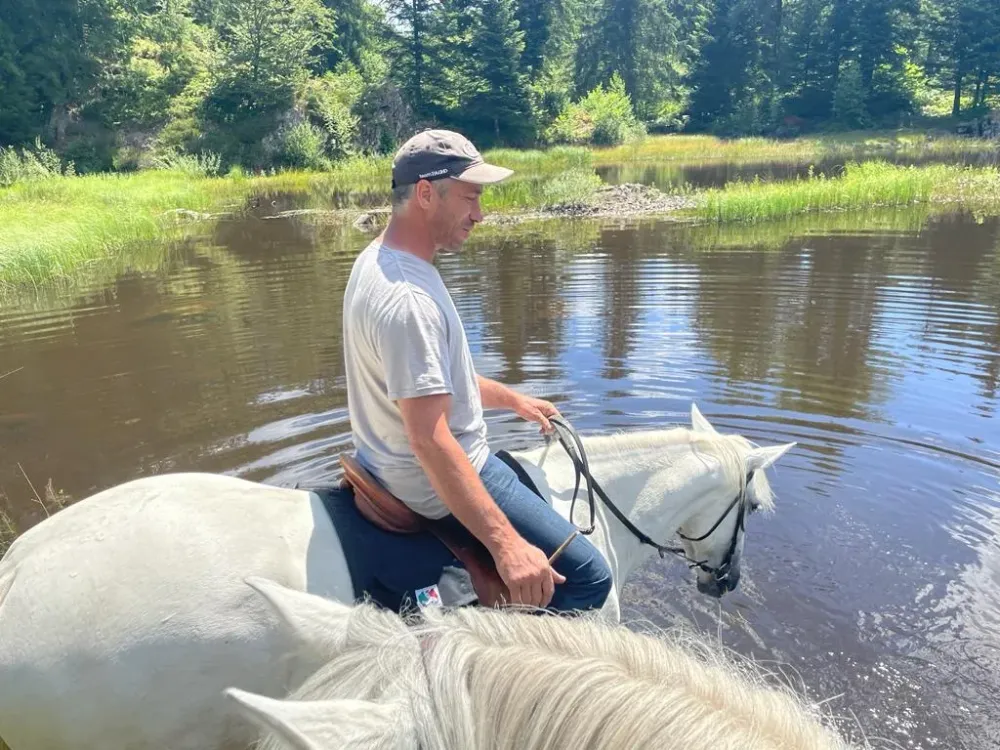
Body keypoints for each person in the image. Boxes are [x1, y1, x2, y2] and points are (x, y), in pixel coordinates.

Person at [341, 129, 612, 612]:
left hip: (387, 464)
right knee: (591, 577)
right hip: (429, 483)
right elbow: (429, 437)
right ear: (426, 193)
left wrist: (512, 400)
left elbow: (431, 383)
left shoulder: (379, 261)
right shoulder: (409, 300)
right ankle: (509, 677)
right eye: (470, 197)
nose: (480, 214)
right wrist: (507, 547)